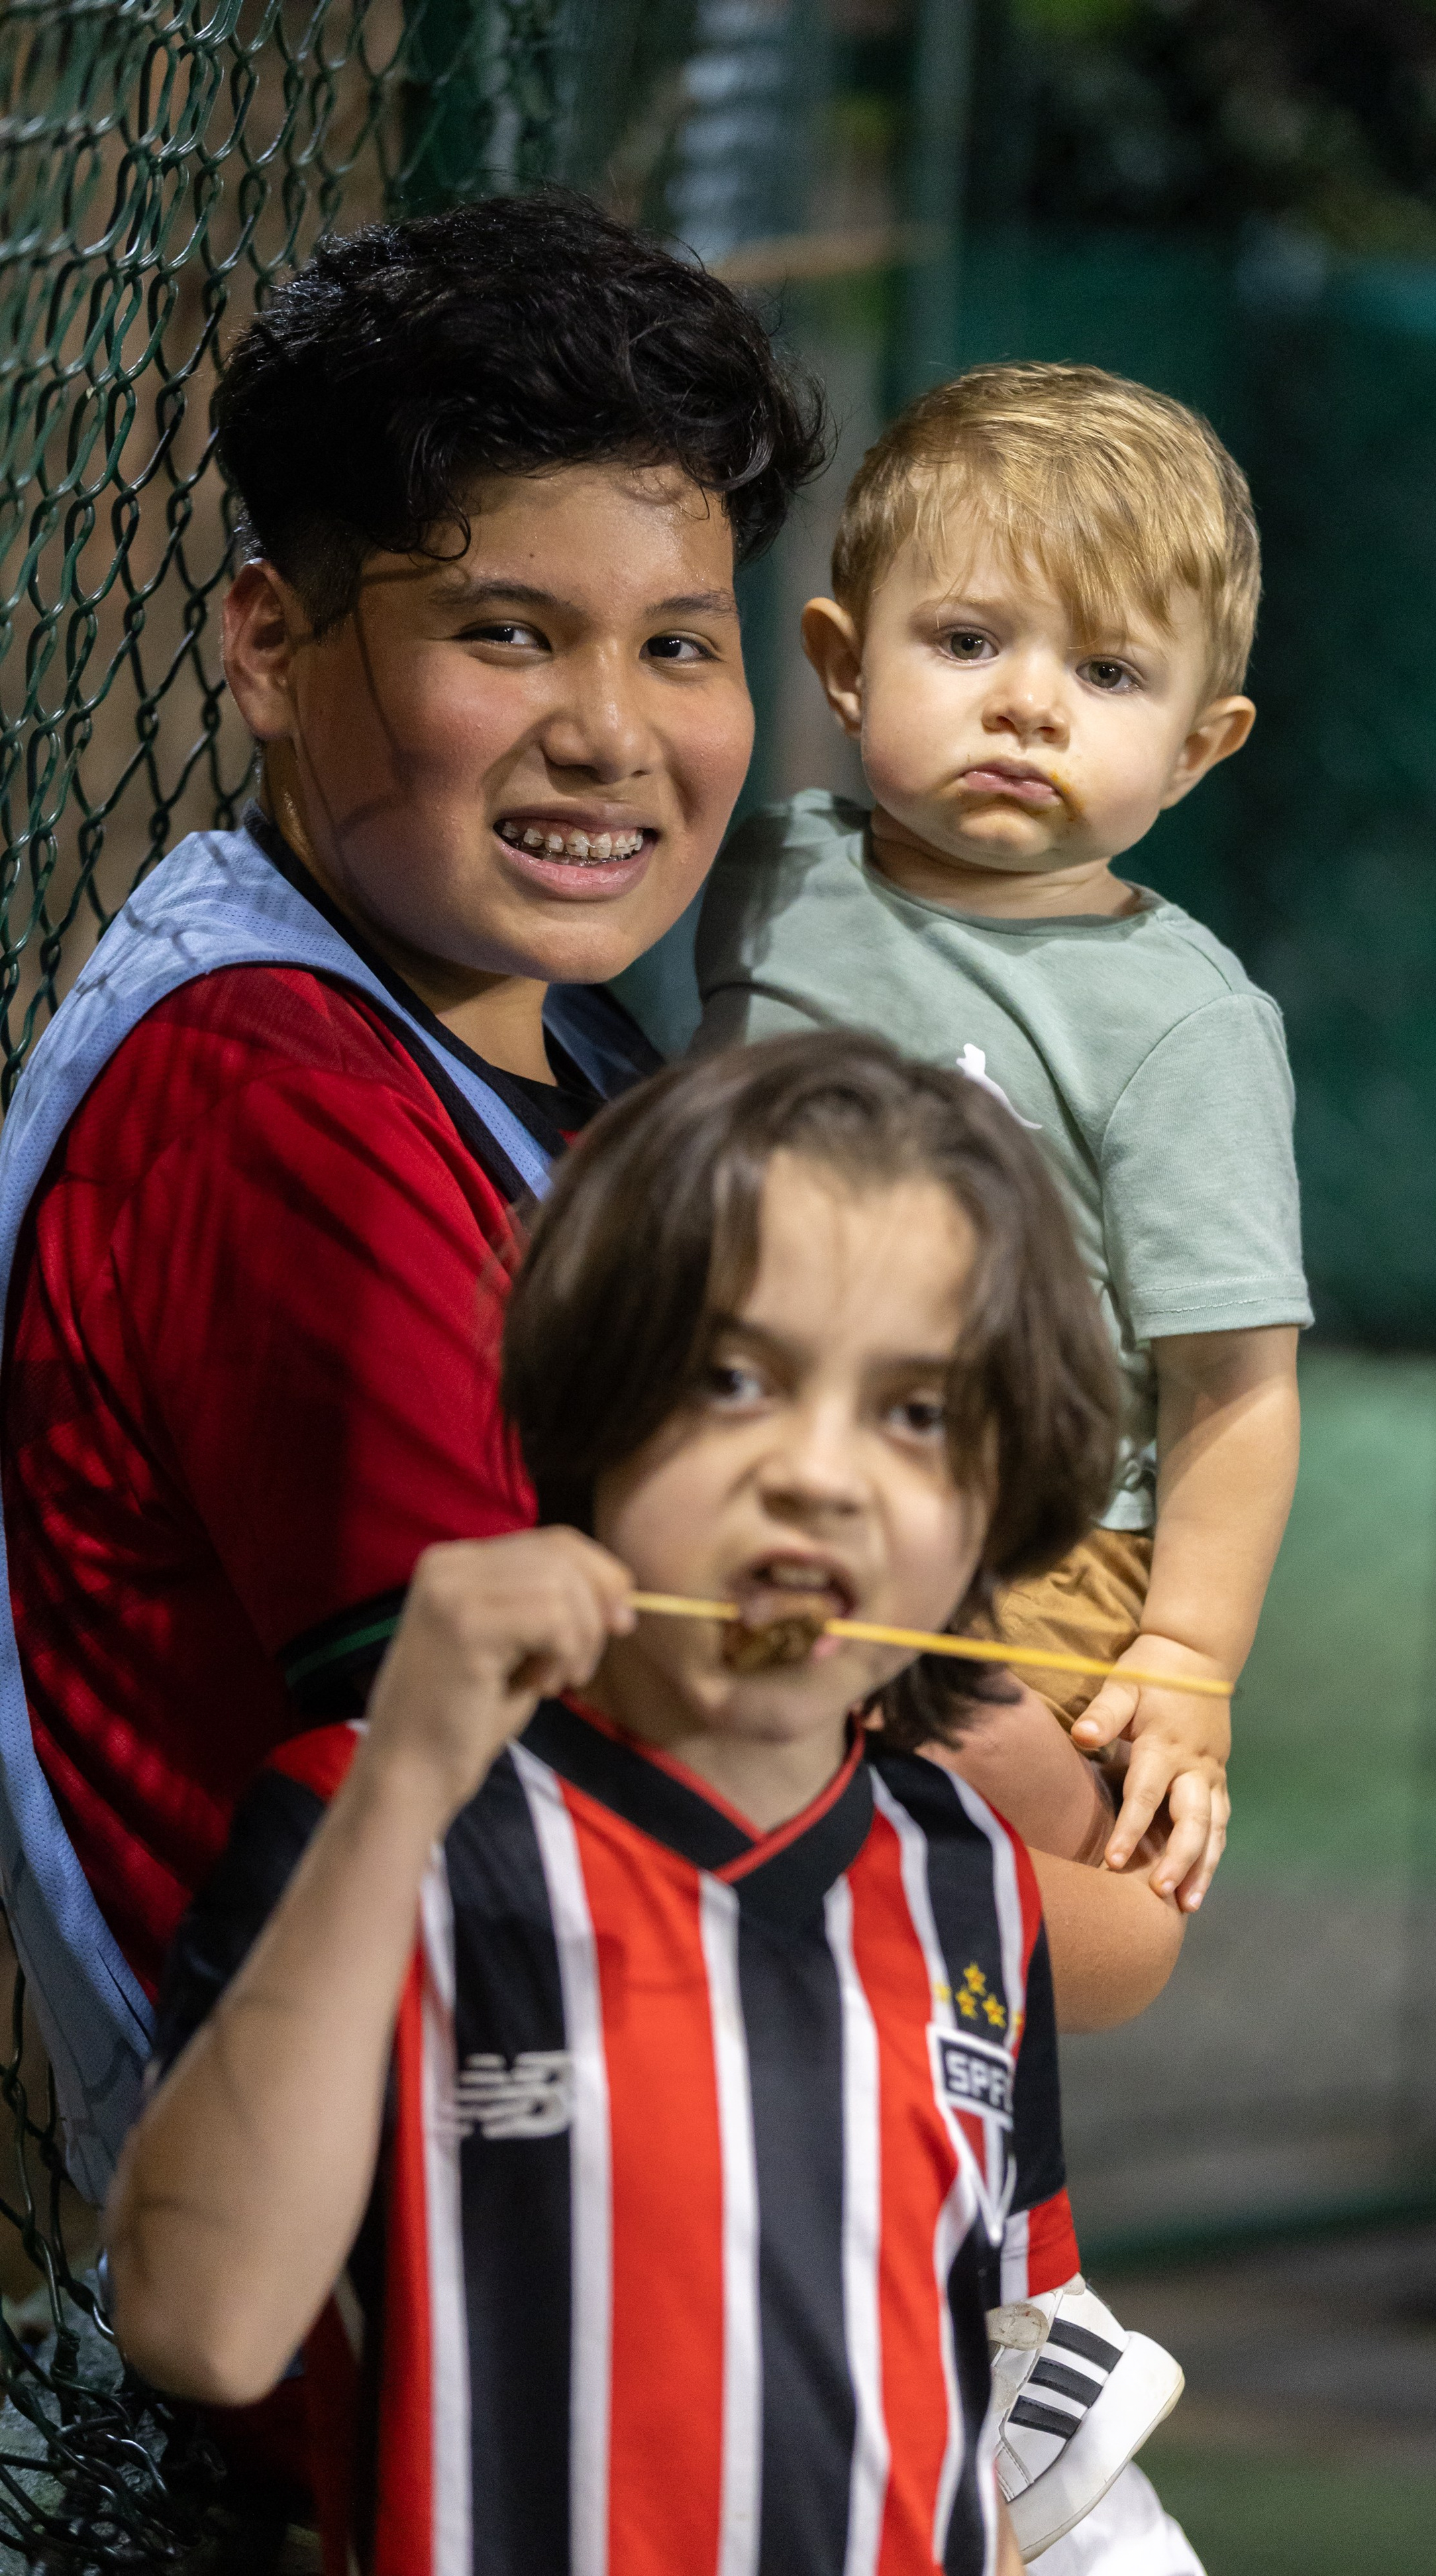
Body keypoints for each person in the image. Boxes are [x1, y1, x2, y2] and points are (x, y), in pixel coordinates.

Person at [106, 1033, 1192, 2576]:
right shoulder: (373, 1818)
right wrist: (409, 1769)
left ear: (992, 1513)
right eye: (735, 1379)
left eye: (914, 1414)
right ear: (587, 1406)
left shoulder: (969, 1882)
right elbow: (201, 2328)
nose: (817, 1474)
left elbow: (986, 2396)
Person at [0, 190, 825, 2209]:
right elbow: (548, 1811)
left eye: (678, 646)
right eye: (507, 632)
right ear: (274, 648)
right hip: (421, 2290)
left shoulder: (560, 1031)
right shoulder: (266, 1087)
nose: (611, 734)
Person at [696, 363, 1309, 1898]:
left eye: (1108, 675)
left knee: (924, 1902)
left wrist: (1183, 1650)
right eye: (965, 642)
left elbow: (1231, 1380)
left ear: (1195, 748)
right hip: (743, 1467)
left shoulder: (1181, 1023)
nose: (1026, 702)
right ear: (840, 667)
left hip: (1019, 1553)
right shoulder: (765, 868)